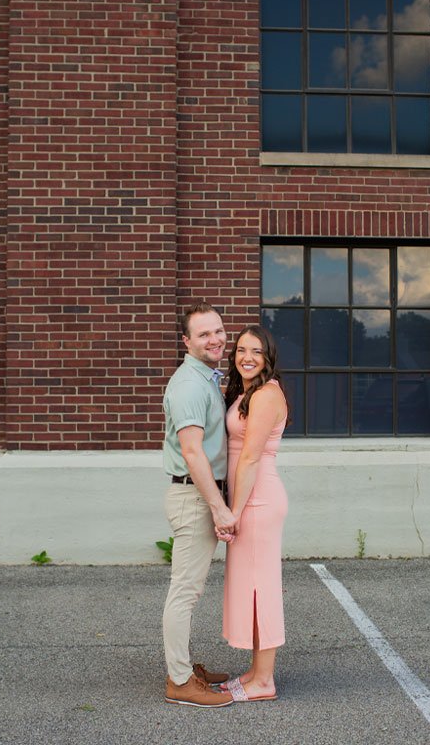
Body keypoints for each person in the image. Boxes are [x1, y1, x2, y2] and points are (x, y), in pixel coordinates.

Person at [160, 303, 236, 708]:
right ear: (186, 341)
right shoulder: (189, 385)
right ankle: (179, 681)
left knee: (190, 589)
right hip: (193, 495)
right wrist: (218, 507)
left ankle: (185, 667)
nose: (215, 339)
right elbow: (192, 452)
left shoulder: (205, 377)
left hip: (198, 493)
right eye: (204, 334)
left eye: (219, 331)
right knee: (185, 592)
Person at [218, 324, 288, 703]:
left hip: (257, 500)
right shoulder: (249, 392)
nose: (246, 357)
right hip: (249, 498)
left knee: (262, 589)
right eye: (241, 349)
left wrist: (233, 512)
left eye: (256, 351)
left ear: (268, 357)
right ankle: (255, 672)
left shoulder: (265, 396)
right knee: (252, 588)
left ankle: (264, 681)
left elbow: (249, 457)